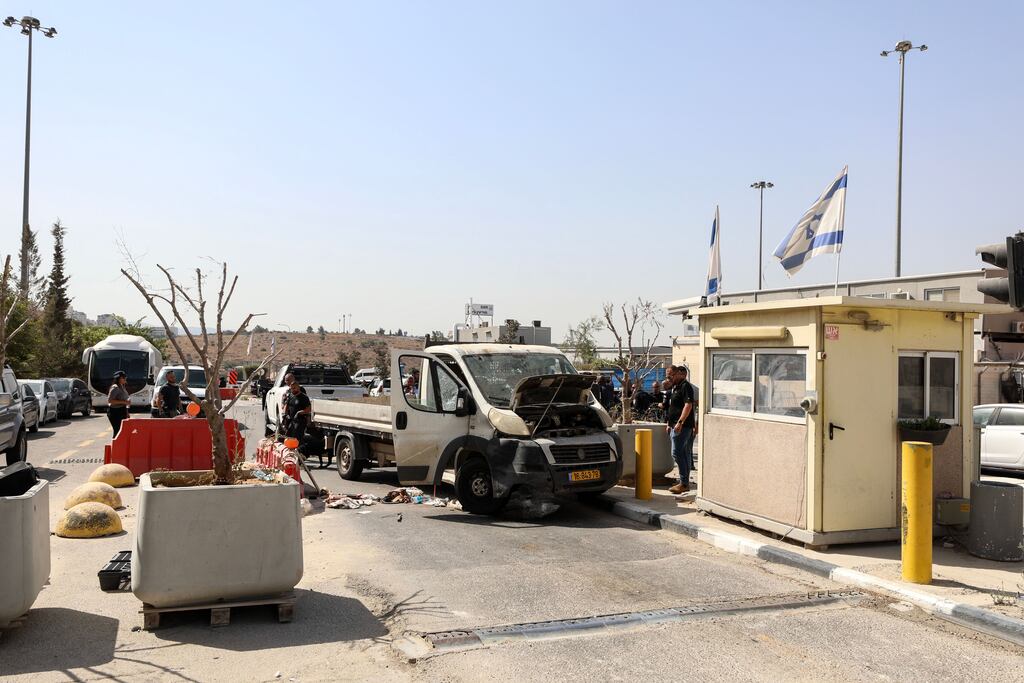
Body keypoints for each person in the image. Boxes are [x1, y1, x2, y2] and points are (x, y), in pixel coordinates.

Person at [665, 365, 696, 494]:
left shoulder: (685, 386)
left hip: (682, 426)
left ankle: (684, 483)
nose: (669, 378)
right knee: (682, 454)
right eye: (667, 376)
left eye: (670, 375)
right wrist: (669, 423)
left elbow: (688, 405)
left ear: (678, 374)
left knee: (677, 453)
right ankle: (684, 482)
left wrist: (680, 422)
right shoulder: (675, 387)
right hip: (674, 425)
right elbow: (673, 407)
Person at [284, 376, 312, 440]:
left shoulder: (304, 397)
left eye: (294, 388)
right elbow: (287, 405)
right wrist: (285, 415)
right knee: (288, 437)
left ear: (298, 387)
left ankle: (297, 449)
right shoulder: (291, 396)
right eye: (292, 388)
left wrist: (299, 412)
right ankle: (290, 449)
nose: (293, 390)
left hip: (300, 421)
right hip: (292, 421)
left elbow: (308, 409)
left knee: (296, 438)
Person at [107, 371, 131, 437]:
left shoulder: (122, 386)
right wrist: (124, 402)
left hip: (122, 410)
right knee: (117, 431)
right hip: (115, 412)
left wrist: (127, 412)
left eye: (125, 377)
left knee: (122, 431)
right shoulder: (115, 388)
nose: (125, 379)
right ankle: (115, 446)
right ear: (118, 379)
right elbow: (110, 401)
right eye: (123, 377)